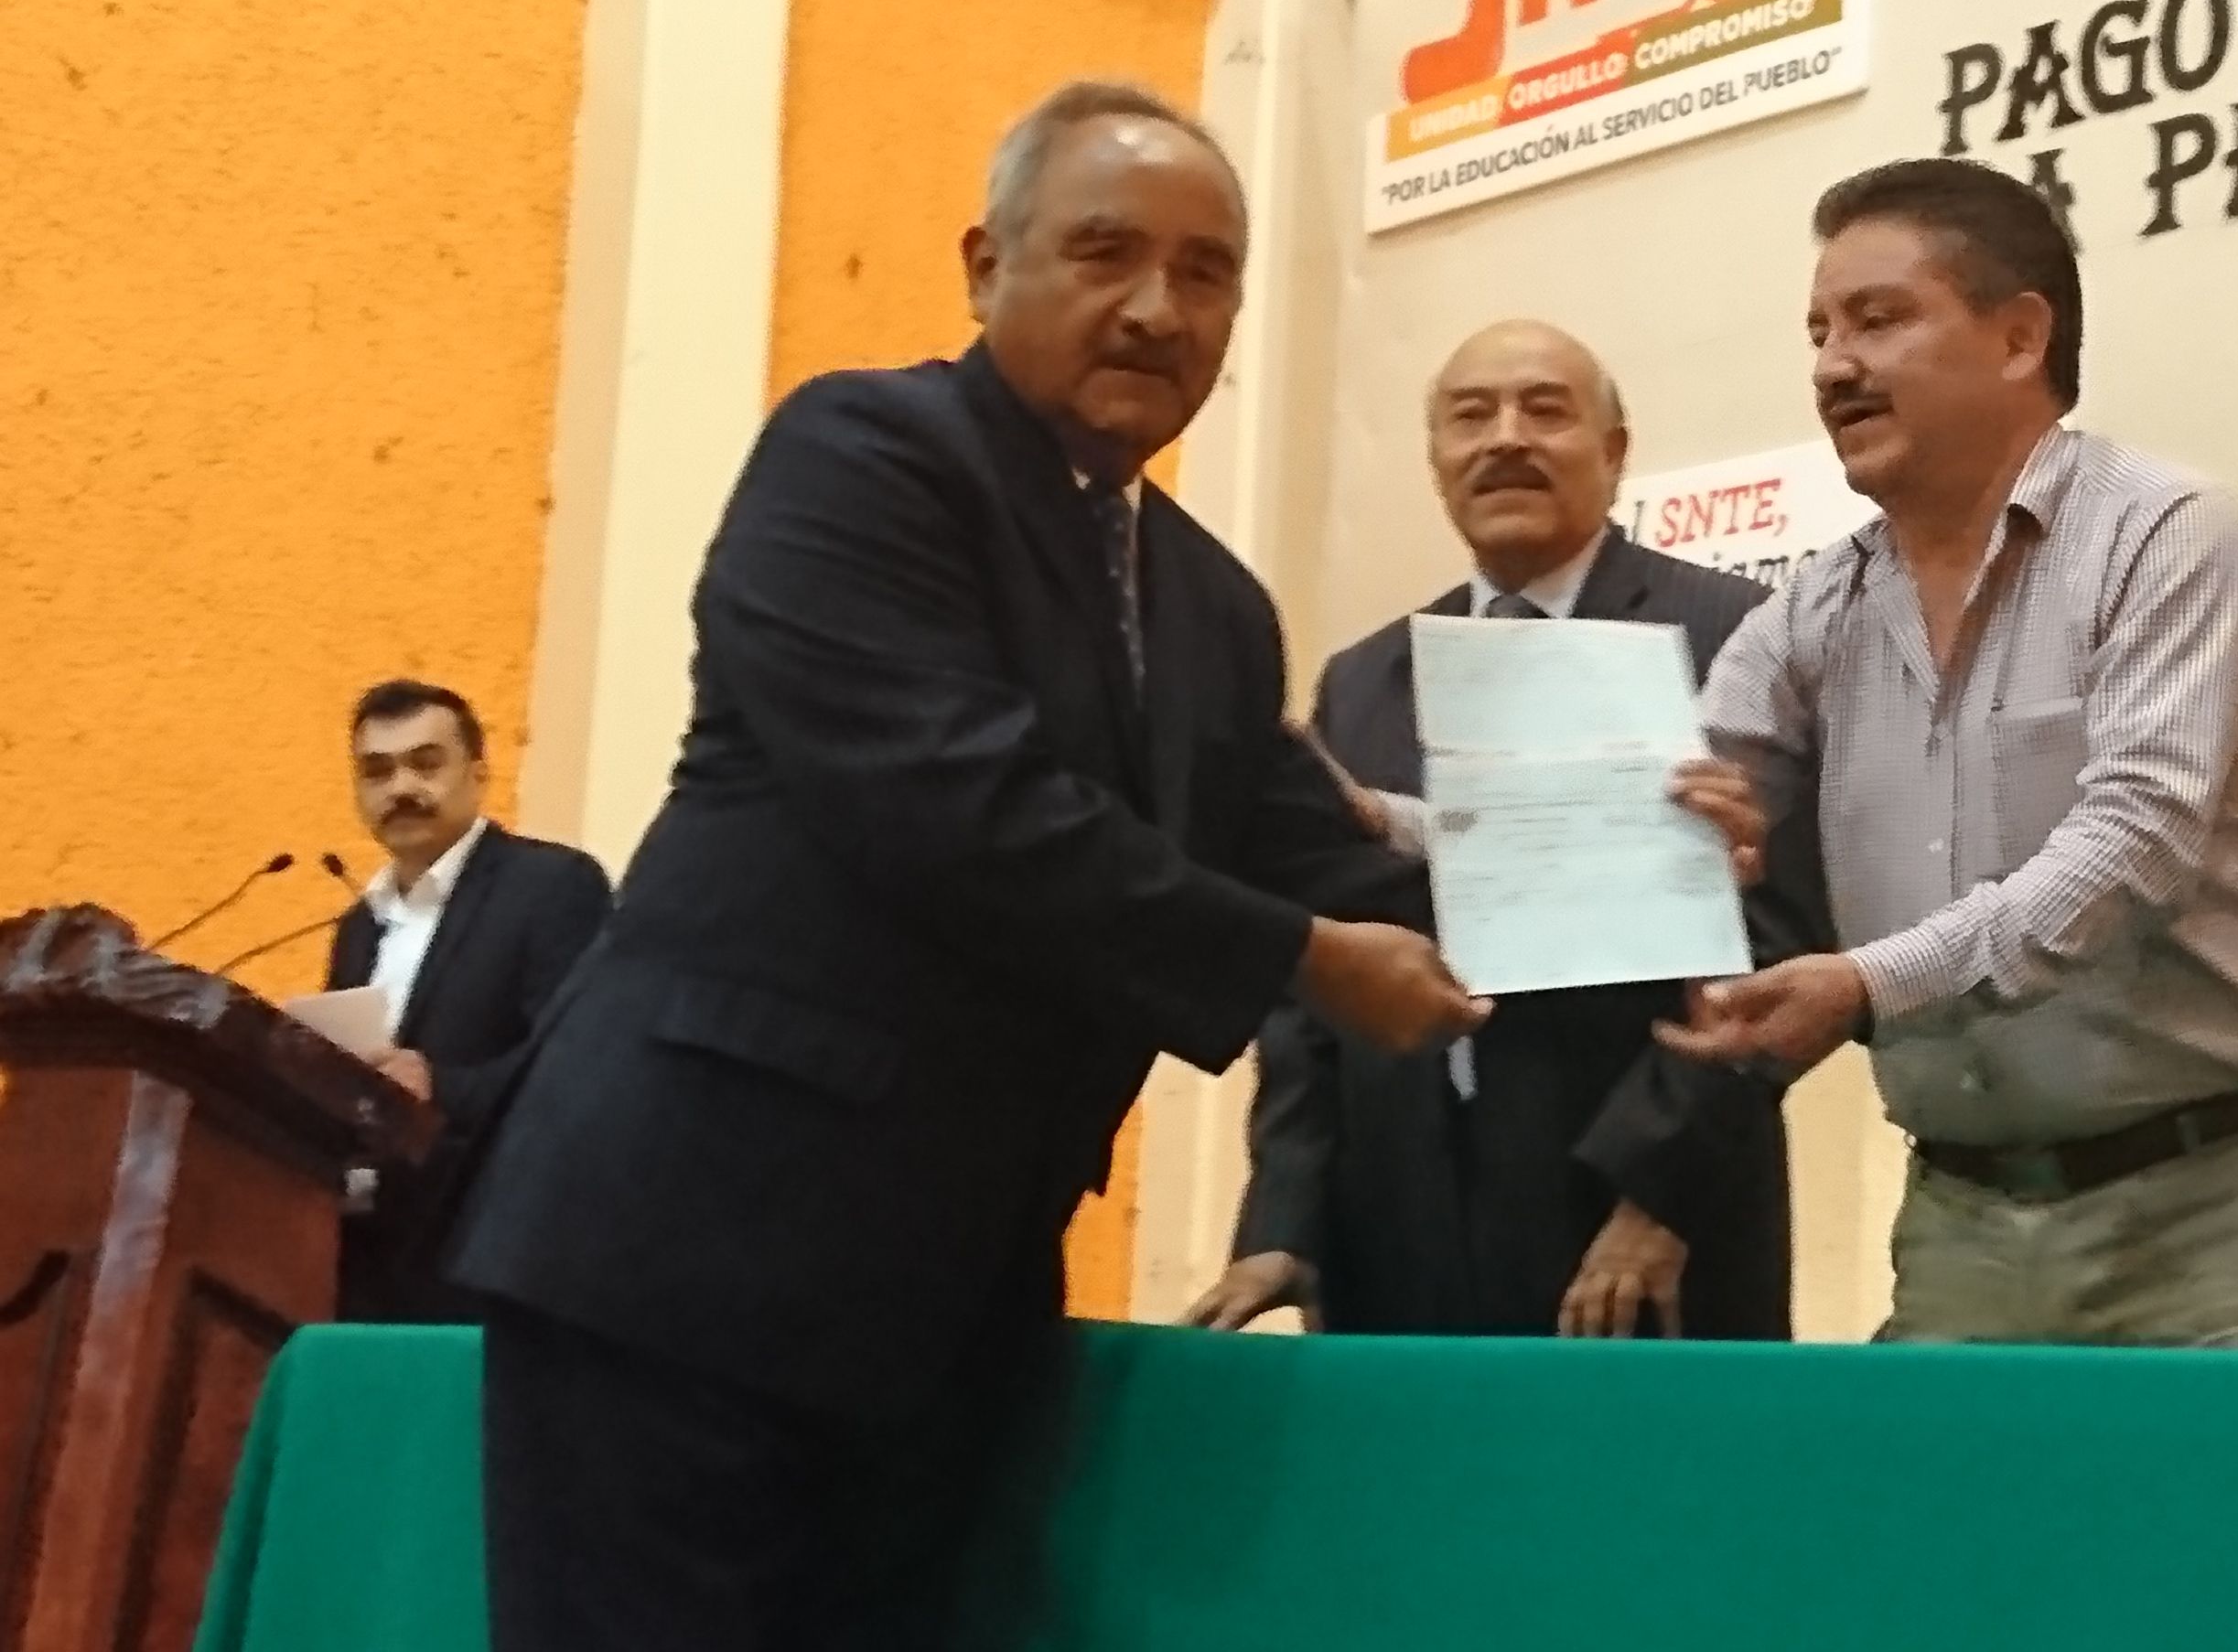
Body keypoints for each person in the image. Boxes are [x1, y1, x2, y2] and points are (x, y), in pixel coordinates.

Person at [444, 81, 1519, 1652]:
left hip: (951, 1309)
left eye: (1207, 273)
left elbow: (1325, 848)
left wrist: (1655, 867)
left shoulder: (1211, 604)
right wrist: (1299, 960)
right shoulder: (861, 455)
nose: (1157, 309)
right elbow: (966, 810)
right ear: (984, 264)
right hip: (692, 1257)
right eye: (1105, 252)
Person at [1660, 156, 2238, 1349]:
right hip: (1961, 1226)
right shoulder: (1818, 607)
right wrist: (1389, 824)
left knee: (2230, 1492)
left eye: (1878, 319)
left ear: (2020, 337)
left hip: (2213, 1229)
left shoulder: (2168, 537)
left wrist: (1869, 985)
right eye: (1820, 332)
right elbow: (1666, 795)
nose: (1833, 366)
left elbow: (2133, 846)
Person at [1188, 320, 1827, 1342]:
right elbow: (1313, 972)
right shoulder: (1367, 677)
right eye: (1471, 415)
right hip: (1395, 1223)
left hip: (1636, 1224)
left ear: (1615, 450)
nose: (1507, 438)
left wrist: (1659, 1196)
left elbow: (1779, 937)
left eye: (1546, 409)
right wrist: (1284, 1221)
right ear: (1436, 460)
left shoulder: (1737, 634)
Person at [323, 678, 610, 1322]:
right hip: (364, 1257)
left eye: (426, 764)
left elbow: (580, 1063)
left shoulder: (550, 887)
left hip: (488, 1253)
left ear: (478, 773)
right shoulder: (358, 927)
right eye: (377, 772)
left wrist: (439, 1087)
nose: (401, 788)